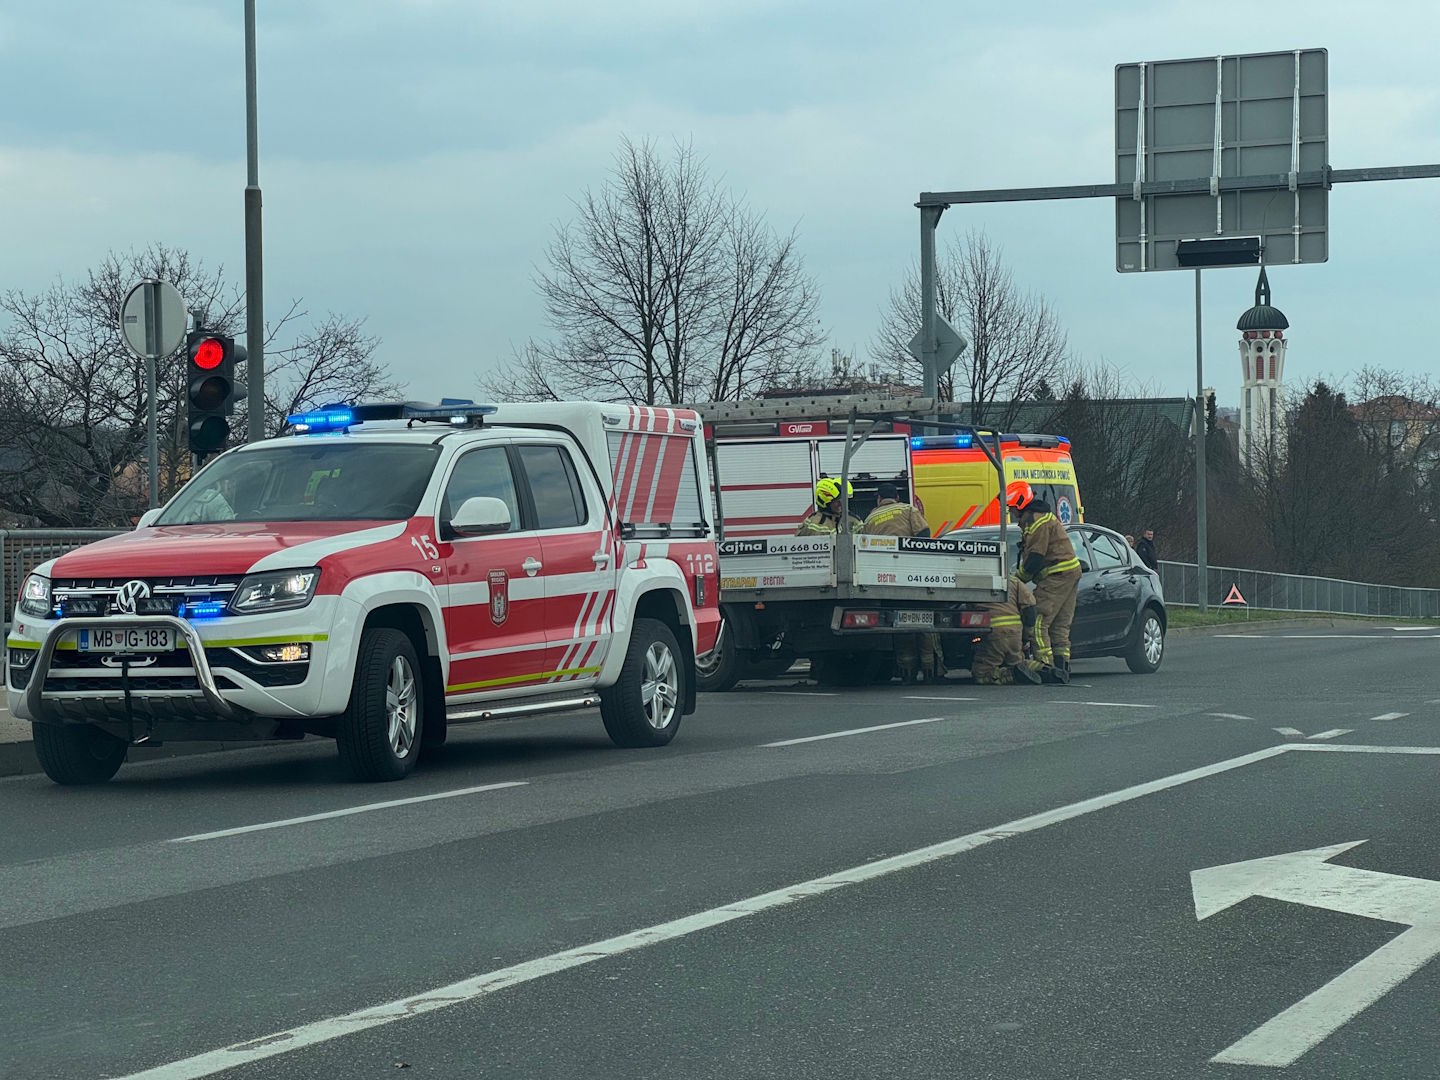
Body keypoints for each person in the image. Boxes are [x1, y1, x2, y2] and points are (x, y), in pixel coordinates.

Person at [862, 483, 940, 682]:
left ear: (879, 499)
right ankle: (931, 671)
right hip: (913, 575)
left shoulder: (869, 519)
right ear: (896, 496)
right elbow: (924, 534)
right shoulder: (907, 509)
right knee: (924, 625)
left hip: (885, 579)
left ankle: (907, 672)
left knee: (900, 625)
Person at [1008, 480, 1081, 682]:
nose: (1011, 512)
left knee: (1039, 621)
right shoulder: (1041, 517)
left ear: (1020, 503)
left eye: (1012, 507)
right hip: (1069, 572)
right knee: (1059, 625)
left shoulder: (1036, 521)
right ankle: (1062, 668)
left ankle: (1046, 668)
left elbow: (1035, 558)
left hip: (1056, 574)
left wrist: (1017, 580)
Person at [971, 575, 1044, 685]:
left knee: (981, 674)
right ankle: (1045, 670)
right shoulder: (1013, 580)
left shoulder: (973, 580)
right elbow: (1030, 610)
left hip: (993, 634)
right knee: (1018, 662)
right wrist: (1026, 637)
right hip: (1015, 634)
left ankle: (1012, 675)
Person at [796, 477, 862, 536]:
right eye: (837, 501)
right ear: (824, 502)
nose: (842, 505)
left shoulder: (854, 520)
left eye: (844, 500)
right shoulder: (817, 524)